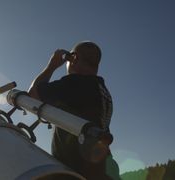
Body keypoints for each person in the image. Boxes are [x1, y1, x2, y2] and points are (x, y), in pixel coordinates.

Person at [28, 41, 120, 180]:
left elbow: (32, 96)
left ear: (74, 58)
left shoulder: (75, 83)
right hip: (102, 169)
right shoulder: (102, 90)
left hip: (78, 172)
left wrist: (52, 65)